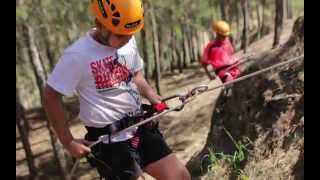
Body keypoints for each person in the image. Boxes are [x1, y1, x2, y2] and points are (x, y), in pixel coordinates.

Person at [42, 0, 191, 179]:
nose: (127, 39)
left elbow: (136, 76)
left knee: (180, 176)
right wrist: (67, 141)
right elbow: (51, 96)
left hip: (140, 127)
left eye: (130, 34)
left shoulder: (127, 39)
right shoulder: (78, 55)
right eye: (121, 35)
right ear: (100, 24)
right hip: (110, 143)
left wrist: (153, 97)